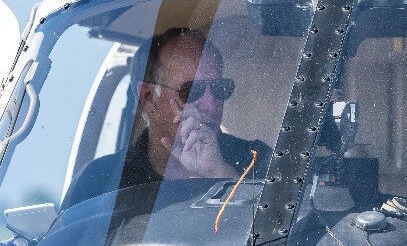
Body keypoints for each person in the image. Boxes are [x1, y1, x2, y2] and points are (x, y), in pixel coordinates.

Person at [63, 28, 271, 207]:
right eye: (191, 91)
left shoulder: (258, 161)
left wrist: (221, 173)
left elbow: (280, 236)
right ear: (148, 97)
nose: (210, 105)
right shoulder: (100, 181)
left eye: (219, 89)